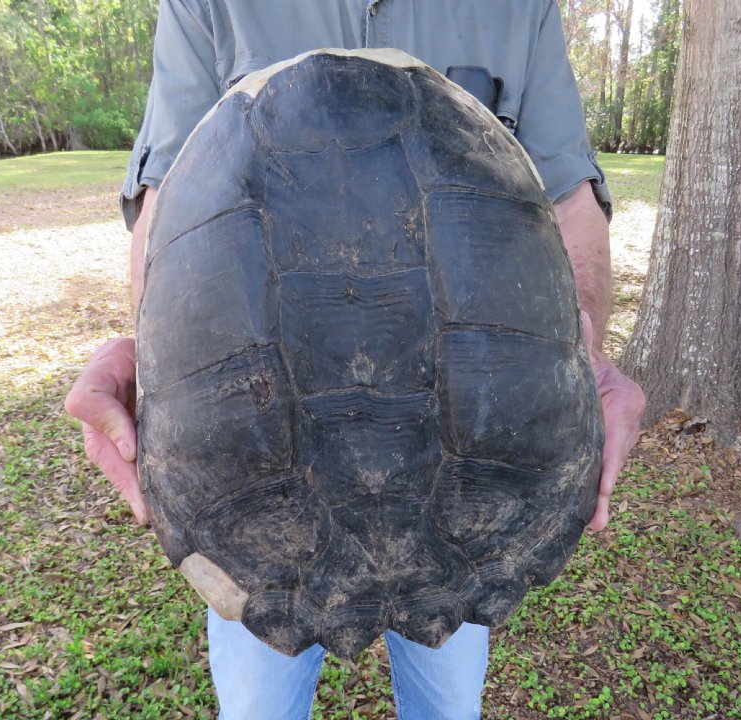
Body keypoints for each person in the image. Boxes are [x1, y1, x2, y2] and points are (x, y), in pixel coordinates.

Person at [65, 2, 646, 718]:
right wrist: (151, 349)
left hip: (465, 462)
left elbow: (568, 197)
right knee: (258, 710)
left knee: (448, 704)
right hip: (258, 458)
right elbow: (172, 203)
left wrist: (586, 347)